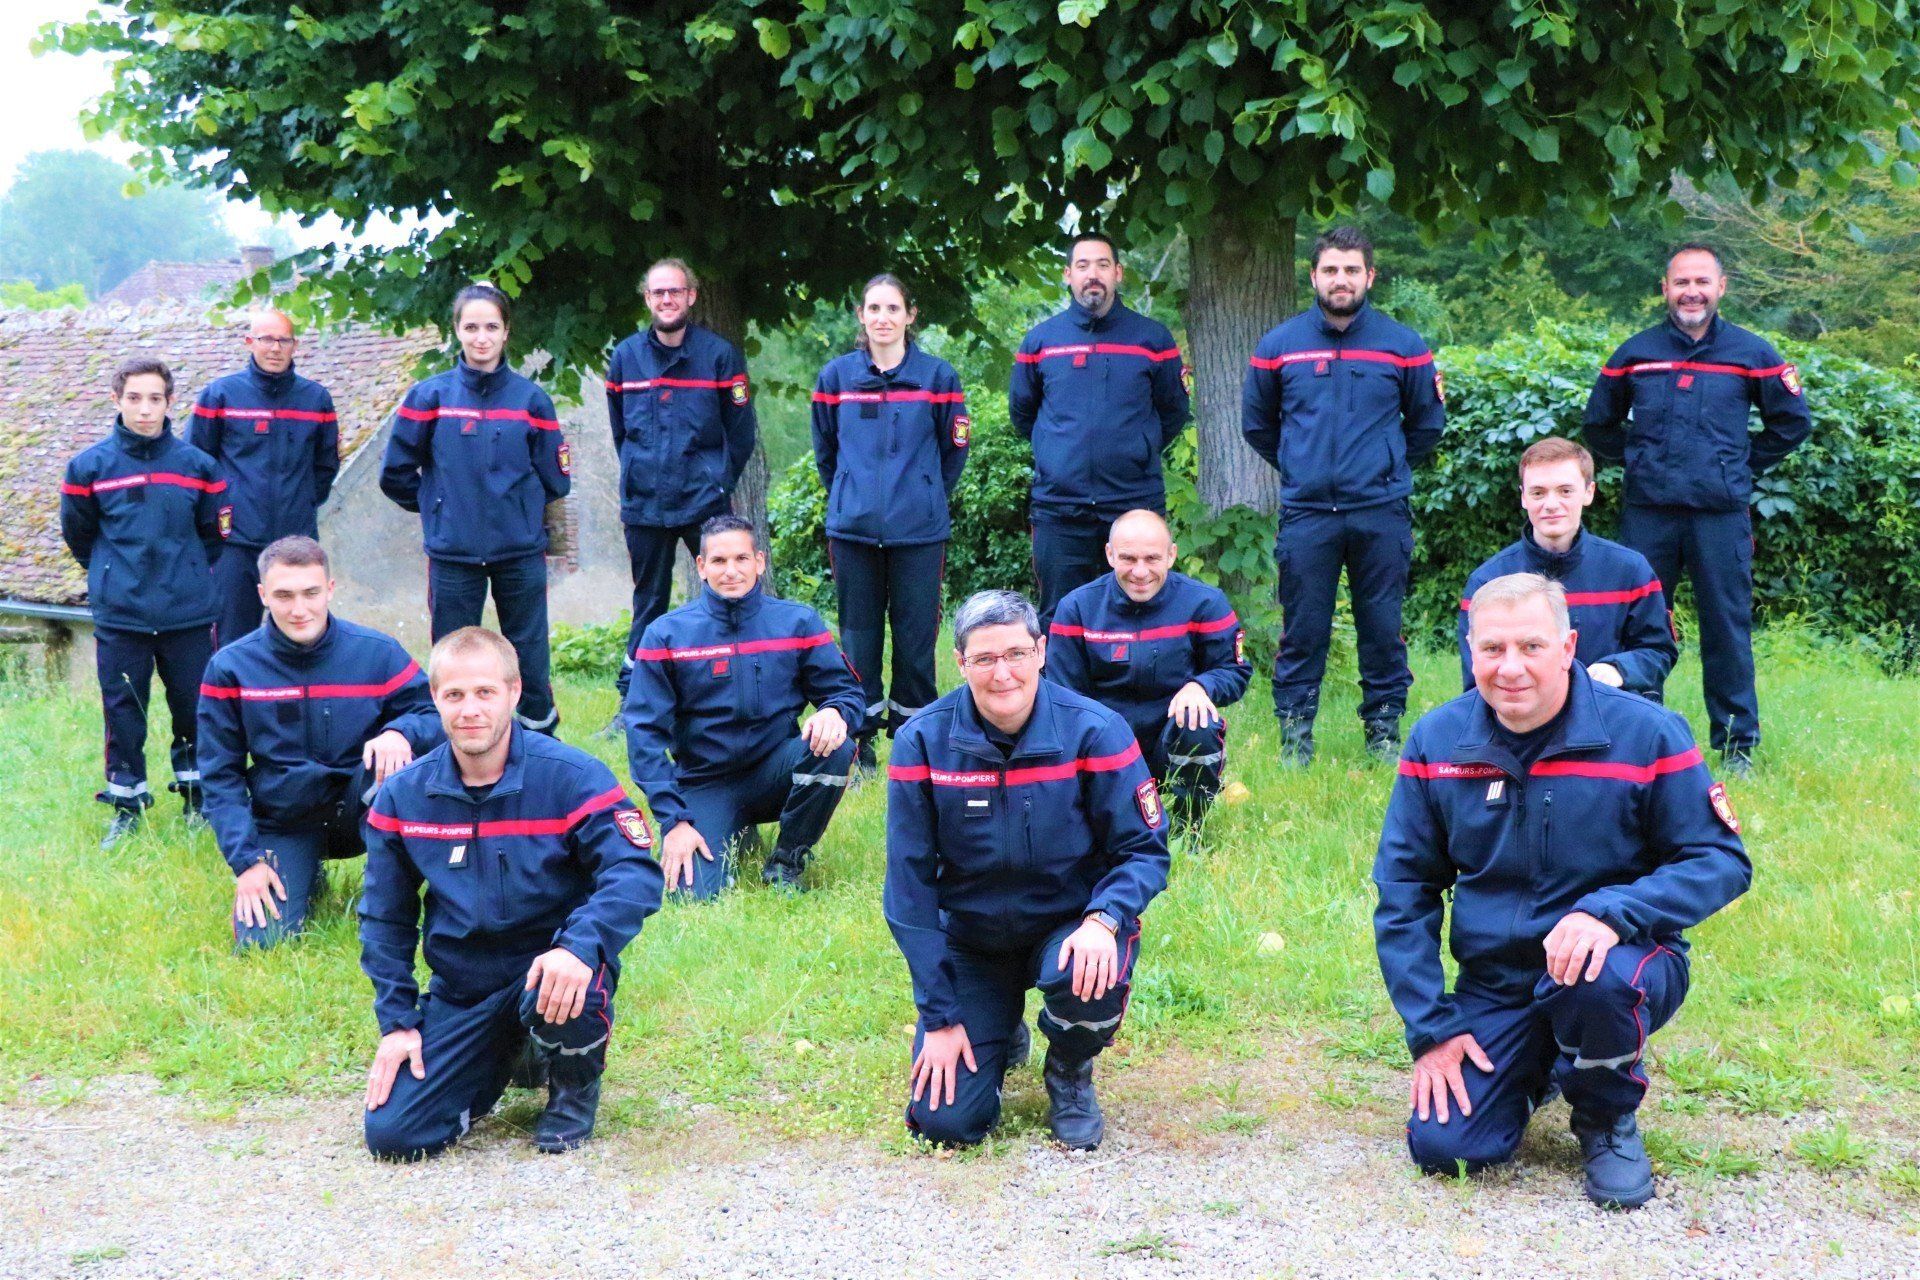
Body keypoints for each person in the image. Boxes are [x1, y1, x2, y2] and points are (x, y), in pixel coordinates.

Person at [1374, 573, 1750, 1208]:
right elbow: (1405, 888)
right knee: (1447, 1148)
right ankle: (1543, 1065)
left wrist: (1610, 912)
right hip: (1497, 984)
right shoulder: (1437, 742)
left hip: (1619, 961)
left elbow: (1720, 859)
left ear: (1569, 646)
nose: (1510, 668)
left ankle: (1605, 1117)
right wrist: (1431, 1028)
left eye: (1532, 647)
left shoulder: (1650, 735)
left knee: (1594, 983)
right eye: (1491, 649)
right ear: (1470, 651)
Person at [360, 627, 664, 1160]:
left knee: (574, 979)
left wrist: (579, 947)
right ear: (435, 699)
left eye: (484, 693)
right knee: (397, 1136)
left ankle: (572, 1088)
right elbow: (385, 919)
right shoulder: (403, 796)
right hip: (462, 990)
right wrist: (398, 1023)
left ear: (514, 692)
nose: (469, 709)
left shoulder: (571, 777)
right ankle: (511, 1054)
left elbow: (634, 873)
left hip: (552, 970)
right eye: (454, 695)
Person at [885, 590, 1170, 1151]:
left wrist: (1104, 920)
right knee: (946, 1124)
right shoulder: (921, 741)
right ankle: (998, 1028)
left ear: (1041, 651)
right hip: (972, 940)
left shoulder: (1096, 730)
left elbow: (1144, 849)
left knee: (1093, 970)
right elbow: (909, 889)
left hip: (1069, 927)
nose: (1003, 673)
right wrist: (941, 1020)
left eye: (1016, 653)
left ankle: (1069, 1071)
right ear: (960, 662)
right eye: (985, 659)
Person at [1583, 243, 1812, 776]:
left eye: (1702, 282)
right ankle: (1637, 737)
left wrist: (1738, 466)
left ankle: (1736, 748)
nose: (1692, 292)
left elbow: (1792, 422)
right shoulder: (1634, 353)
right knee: (1637, 628)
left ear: (1721, 287)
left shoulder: (1752, 354)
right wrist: (1638, 462)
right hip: (1648, 515)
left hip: (1719, 515)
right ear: (1664, 288)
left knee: (1726, 630)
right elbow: (1599, 425)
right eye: (1681, 282)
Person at [1242, 225, 1445, 767]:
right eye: (1331, 269)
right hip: (1308, 514)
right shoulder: (1278, 347)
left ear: (1369, 276)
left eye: (1352, 270)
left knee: (1382, 629)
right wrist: (1301, 468)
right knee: (1302, 628)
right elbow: (1258, 426)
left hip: (1380, 511)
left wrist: (1384, 467)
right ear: (1314, 276)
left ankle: (1382, 734)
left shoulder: (1403, 346)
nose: (1341, 280)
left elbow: (1427, 425)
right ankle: (1295, 736)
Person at [197, 536, 444, 950]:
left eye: (311, 593)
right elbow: (219, 776)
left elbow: (435, 713)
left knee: (395, 763)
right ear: (262, 595)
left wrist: (400, 732)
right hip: (285, 816)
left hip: (365, 804)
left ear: (330, 589)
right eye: (284, 595)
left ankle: (394, 892)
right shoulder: (230, 668)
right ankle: (303, 871)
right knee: (264, 945)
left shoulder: (377, 653)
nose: (299, 609)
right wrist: (247, 864)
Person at [624, 515, 864, 896]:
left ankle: (786, 863)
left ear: (760, 562)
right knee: (694, 896)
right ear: (701, 567)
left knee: (836, 746)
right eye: (718, 561)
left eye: (741, 559)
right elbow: (643, 734)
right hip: (705, 782)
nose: (731, 571)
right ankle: (732, 829)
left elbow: (846, 692)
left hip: (774, 772)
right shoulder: (666, 634)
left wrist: (834, 711)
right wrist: (674, 823)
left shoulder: (797, 623)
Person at [380, 283, 571, 735]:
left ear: (506, 332)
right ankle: (453, 747)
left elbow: (555, 478)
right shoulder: (429, 398)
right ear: (456, 331)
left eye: (491, 327)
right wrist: (440, 509)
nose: (480, 337)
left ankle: (539, 743)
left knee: (529, 654)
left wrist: (516, 511)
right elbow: (396, 475)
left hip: (519, 553)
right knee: (454, 658)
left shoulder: (531, 400)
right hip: (453, 557)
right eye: (471, 327)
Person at [60, 357, 224, 848]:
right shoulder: (88, 467)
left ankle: (199, 801)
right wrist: (114, 573)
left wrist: (185, 575)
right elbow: (80, 535)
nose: (145, 409)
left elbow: (212, 536)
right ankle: (127, 805)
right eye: (134, 398)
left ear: (170, 403)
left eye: (155, 398)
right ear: (117, 400)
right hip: (122, 615)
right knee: (124, 711)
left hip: (187, 613)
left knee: (194, 708)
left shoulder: (199, 467)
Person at [812, 273, 970, 770]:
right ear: (861, 316)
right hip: (852, 532)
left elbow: (954, 452)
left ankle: (914, 742)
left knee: (916, 639)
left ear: (910, 315)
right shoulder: (836, 378)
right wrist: (850, 496)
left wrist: (921, 496)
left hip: (919, 533)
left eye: (892, 309)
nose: (883, 318)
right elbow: (825, 454)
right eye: (873, 308)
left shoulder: (938, 378)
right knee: (857, 640)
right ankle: (858, 746)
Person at [1010, 232, 1190, 622]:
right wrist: (1060, 456)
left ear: (1119, 273)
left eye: (1103, 265)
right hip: (1060, 509)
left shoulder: (1152, 339)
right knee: (1059, 619)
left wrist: (1136, 449)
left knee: (1139, 615)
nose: (1094, 275)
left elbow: (1173, 413)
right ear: (1068, 275)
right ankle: (1059, 686)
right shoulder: (1041, 341)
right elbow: (1024, 414)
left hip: (1133, 503)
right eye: (1083, 265)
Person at [605, 259, 757, 703]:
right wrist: (639, 474)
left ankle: (741, 688)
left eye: (675, 291)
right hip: (645, 506)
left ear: (691, 296)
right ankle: (634, 699)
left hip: (704, 505)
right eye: (658, 293)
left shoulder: (719, 355)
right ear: (647, 300)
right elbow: (621, 433)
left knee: (729, 592)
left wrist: (717, 484)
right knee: (647, 605)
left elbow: (740, 433)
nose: (666, 299)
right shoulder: (625, 358)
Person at [1047, 510, 1250, 834]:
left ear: (1171, 555)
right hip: (1104, 740)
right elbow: (1061, 696)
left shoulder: (1206, 603)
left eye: (1152, 558)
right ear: (1110, 555)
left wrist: (1201, 687)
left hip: (1171, 730)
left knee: (1201, 723)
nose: (1140, 572)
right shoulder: (1077, 608)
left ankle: (1188, 829)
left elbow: (1234, 671)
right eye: (1128, 558)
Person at [1458, 437, 1675, 697]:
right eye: (1538, 492)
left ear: (1588, 492)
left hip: (1611, 711)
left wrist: (1619, 669)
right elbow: (1477, 677)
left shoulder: (1629, 570)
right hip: (1523, 721)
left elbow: (1659, 650)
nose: (1551, 504)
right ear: (1524, 497)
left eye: (1565, 491)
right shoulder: (1489, 581)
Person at [189, 309, 341, 649]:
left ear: (295, 345)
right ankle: (231, 704)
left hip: (296, 542)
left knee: (301, 635)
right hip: (235, 543)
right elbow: (197, 466)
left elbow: (325, 467)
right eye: (266, 339)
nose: (275, 348)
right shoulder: (220, 396)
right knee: (232, 642)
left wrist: (299, 503)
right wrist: (222, 514)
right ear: (249, 342)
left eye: (283, 340)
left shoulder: (316, 400)